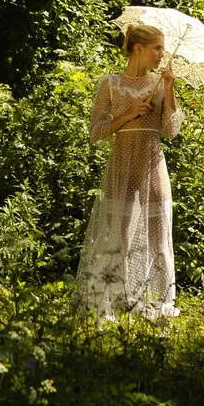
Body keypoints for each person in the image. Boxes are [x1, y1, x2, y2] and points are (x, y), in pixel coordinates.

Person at [76, 23, 183, 321]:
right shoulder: (110, 84)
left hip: (152, 166)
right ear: (139, 48)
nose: (161, 54)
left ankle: (164, 305)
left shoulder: (160, 84)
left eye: (162, 48)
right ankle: (116, 299)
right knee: (117, 240)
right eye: (157, 48)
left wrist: (170, 91)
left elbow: (170, 131)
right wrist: (128, 114)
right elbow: (95, 133)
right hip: (121, 165)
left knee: (160, 241)